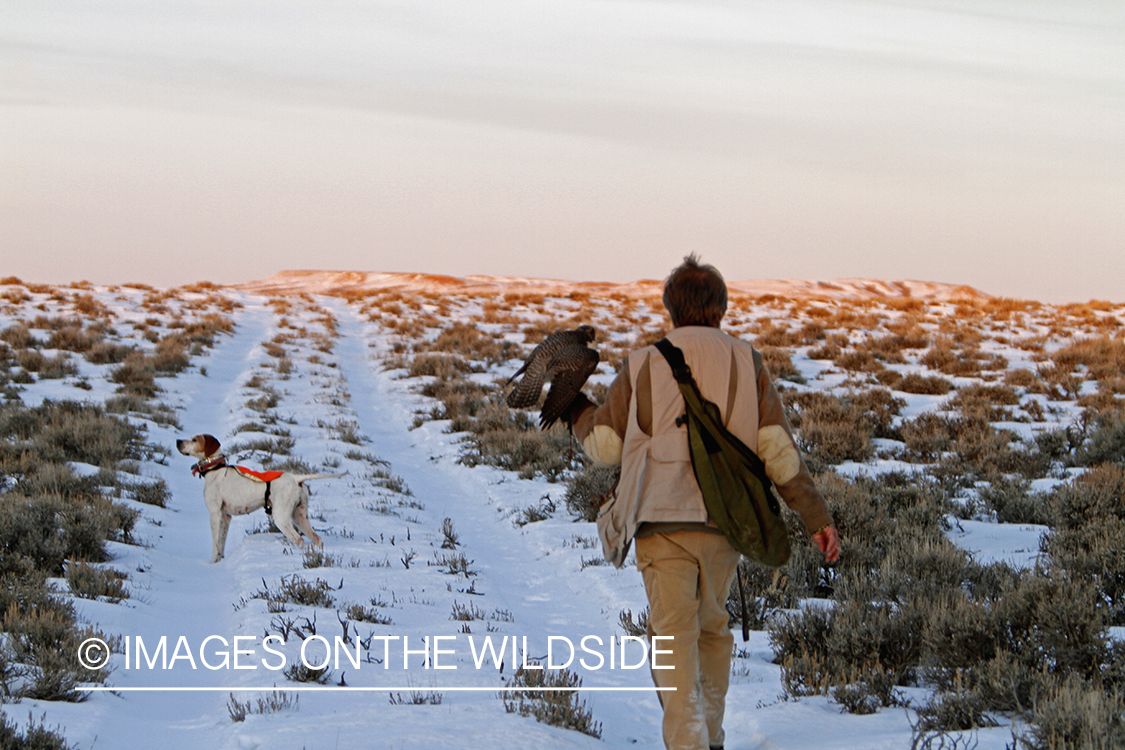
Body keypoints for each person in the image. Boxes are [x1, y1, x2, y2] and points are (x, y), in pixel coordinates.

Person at [563, 255, 840, 750]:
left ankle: (689, 743)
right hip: (725, 521)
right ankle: (710, 738)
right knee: (712, 628)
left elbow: (605, 446)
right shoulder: (746, 360)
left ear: (671, 307)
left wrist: (575, 409)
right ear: (721, 308)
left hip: (660, 518)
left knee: (672, 637)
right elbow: (776, 448)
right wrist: (814, 516)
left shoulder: (646, 362)